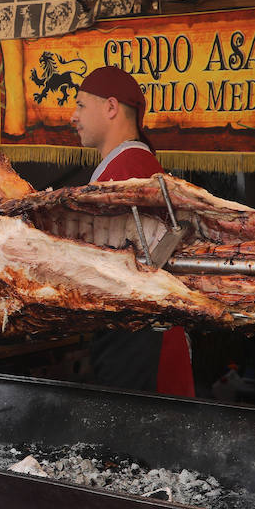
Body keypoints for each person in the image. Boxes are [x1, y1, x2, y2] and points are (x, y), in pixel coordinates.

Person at [70, 65, 195, 397]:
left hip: (145, 341)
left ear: (111, 108)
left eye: (81, 105)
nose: (73, 116)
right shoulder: (123, 166)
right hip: (136, 337)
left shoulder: (129, 170)